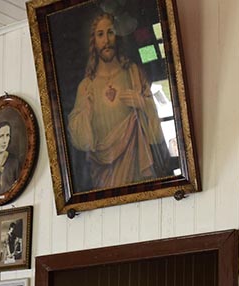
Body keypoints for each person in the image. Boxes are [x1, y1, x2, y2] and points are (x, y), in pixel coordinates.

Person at [66, 11, 171, 189]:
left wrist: (142, 103)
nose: (106, 40)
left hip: (137, 164)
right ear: (94, 41)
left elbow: (156, 133)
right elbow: (81, 141)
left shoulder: (133, 73)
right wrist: (86, 112)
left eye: (110, 32)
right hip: (104, 173)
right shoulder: (86, 86)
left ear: (117, 36)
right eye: (100, 34)